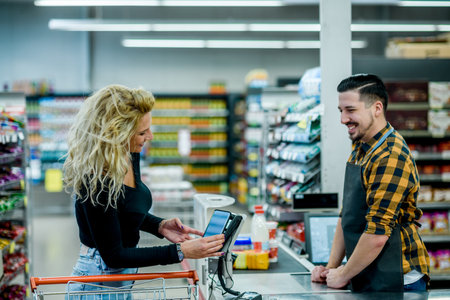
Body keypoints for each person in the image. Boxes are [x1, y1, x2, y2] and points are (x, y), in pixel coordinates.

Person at [62, 84, 225, 298]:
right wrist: (180, 252)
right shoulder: (96, 179)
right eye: (142, 132)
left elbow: (124, 208)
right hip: (98, 282)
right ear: (116, 133)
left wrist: (159, 225)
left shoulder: (127, 156)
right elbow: (113, 256)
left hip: (120, 279)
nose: (150, 136)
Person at [311, 74, 430, 292]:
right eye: (341, 111)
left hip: (398, 280)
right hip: (367, 271)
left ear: (376, 108)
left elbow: (377, 234)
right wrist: (331, 269)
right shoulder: (361, 147)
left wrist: (343, 275)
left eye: (351, 110)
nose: (343, 119)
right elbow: (346, 215)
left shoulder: (390, 155)